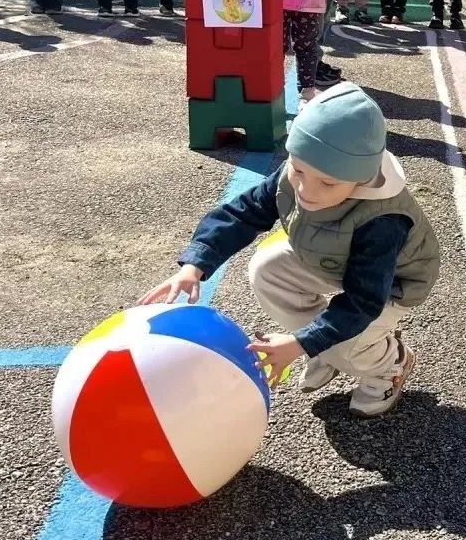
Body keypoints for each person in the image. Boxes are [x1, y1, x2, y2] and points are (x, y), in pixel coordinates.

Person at [139, 83, 441, 418]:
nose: (306, 189)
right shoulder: (298, 172)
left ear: (361, 178)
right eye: (298, 170)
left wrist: (298, 343)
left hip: (391, 286)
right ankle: (326, 350)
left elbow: (362, 302)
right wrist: (195, 264)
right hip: (331, 258)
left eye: (327, 183)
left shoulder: (383, 221)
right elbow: (242, 212)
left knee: (350, 344)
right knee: (267, 270)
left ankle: (390, 363)